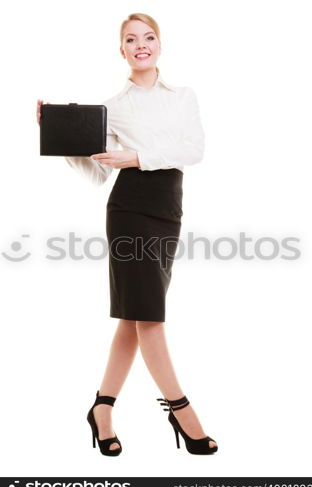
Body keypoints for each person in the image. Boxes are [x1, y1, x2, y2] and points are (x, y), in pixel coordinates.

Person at [36, 12, 218, 457]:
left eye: (149, 37)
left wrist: (136, 155)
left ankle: (102, 407)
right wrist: (60, 137)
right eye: (131, 39)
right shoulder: (113, 107)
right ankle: (181, 410)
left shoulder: (183, 96)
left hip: (168, 211)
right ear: (122, 50)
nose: (141, 44)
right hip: (130, 210)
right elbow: (99, 171)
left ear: (159, 45)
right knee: (149, 316)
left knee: (133, 317)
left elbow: (192, 150)